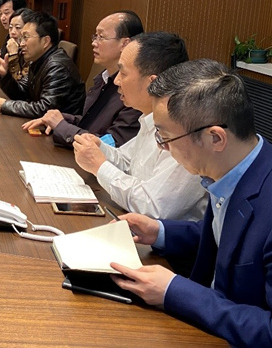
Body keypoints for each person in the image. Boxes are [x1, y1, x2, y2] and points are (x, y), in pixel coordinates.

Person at [110, 59, 271, 348]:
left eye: (166, 136)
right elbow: (227, 239)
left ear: (215, 138)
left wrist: (175, 291)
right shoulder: (235, 169)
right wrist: (159, 231)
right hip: (207, 335)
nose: (162, 147)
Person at [73, 32, 207, 221]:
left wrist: (99, 165)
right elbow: (129, 163)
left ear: (153, 83)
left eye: (123, 73)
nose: (116, 81)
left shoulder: (184, 130)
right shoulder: (148, 118)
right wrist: (98, 147)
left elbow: (153, 206)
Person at [22, 11, 143, 148]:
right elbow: (90, 123)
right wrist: (61, 118)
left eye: (101, 37)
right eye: (95, 36)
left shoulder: (135, 92)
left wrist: (62, 126)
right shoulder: (103, 78)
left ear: (125, 43)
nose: (94, 43)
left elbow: (112, 145)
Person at [0, 11, 85, 118]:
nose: (21, 44)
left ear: (45, 41)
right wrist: (5, 75)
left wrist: (6, 106)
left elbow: (45, 109)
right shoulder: (38, 59)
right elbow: (22, 93)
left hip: (59, 127)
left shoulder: (57, 67)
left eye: (26, 37)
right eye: (21, 38)